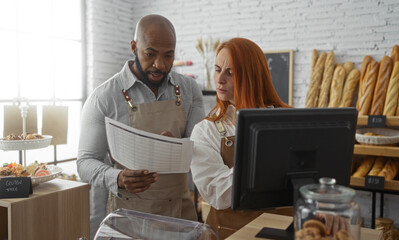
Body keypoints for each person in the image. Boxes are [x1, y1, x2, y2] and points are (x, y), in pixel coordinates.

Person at [77, 14, 205, 238]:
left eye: (169, 56)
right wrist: (116, 178)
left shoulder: (189, 90)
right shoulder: (103, 97)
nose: (160, 65)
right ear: (134, 47)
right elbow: (85, 162)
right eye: (150, 54)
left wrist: (177, 148)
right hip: (129, 218)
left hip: (179, 214)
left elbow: (200, 147)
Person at [190, 37, 292, 239]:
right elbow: (216, 193)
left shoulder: (289, 121)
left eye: (231, 72)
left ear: (254, 76)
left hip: (286, 231)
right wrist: (260, 158)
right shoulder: (205, 131)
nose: (219, 80)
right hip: (231, 234)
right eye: (218, 69)